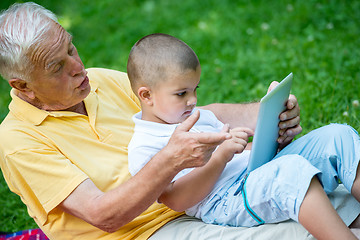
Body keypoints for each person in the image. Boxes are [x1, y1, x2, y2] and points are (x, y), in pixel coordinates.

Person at [0, 2, 358, 240]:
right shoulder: (18, 141)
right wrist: (172, 160)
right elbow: (103, 214)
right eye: (57, 67)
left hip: (220, 187)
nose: (77, 67)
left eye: (71, 48)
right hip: (147, 232)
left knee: (338, 170)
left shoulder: (96, 80)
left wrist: (266, 112)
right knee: (303, 221)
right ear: (23, 86)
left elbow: (181, 111)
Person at [126, 33, 360, 240]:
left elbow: (241, 153)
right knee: (290, 173)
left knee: (338, 136)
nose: (193, 100)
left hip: (252, 174)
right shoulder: (144, 146)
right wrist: (221, 157)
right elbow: (176, 200)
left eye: (195, 89)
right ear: (147, 96)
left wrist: (273, 140)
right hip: (224, 200)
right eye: (181, 93)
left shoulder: (199, 116)